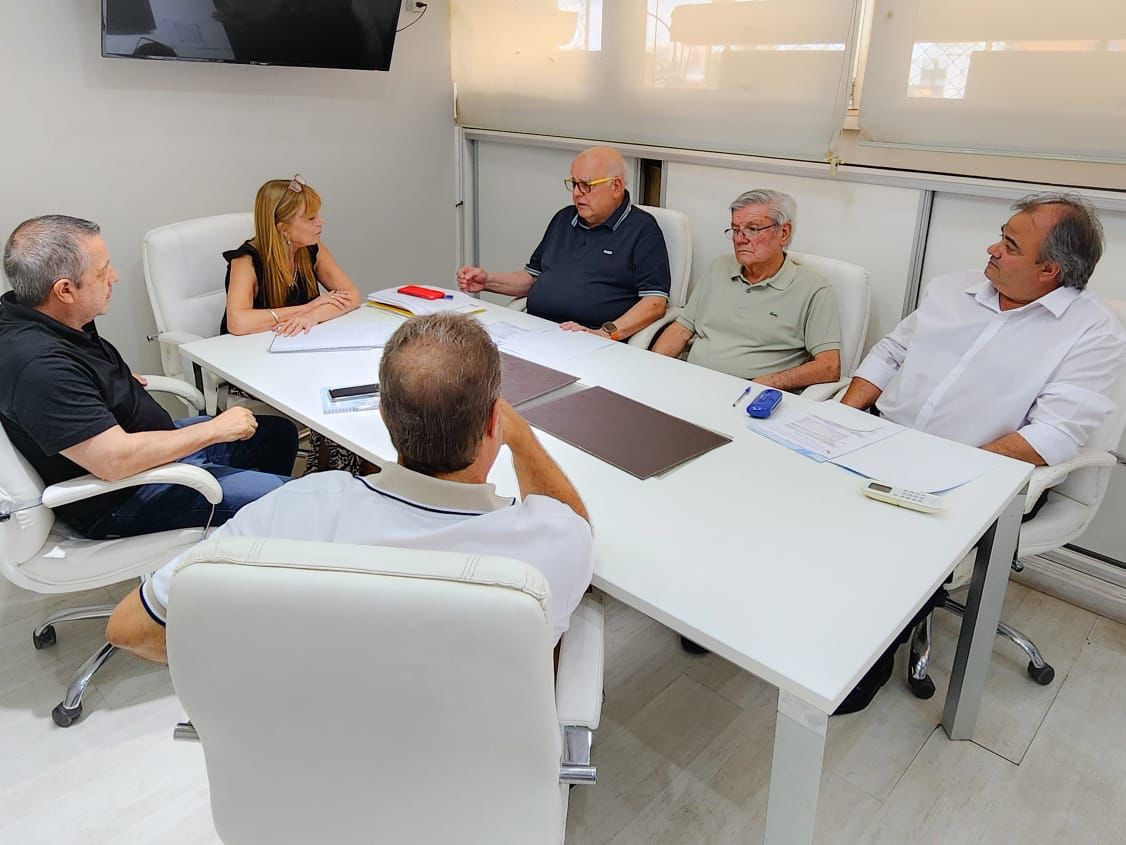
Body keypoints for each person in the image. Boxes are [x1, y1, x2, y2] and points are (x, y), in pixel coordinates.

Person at [106, 312, 595, 663]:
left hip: (311, 758)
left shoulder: (295, 509)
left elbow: (129, 626)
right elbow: (572, 520)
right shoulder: (548, 544)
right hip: (467, 769)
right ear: (493, 423)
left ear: (383, 415)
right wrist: (521, 437)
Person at [834, 192, 1126, 714]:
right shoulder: (953, 288)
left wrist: (952, 469)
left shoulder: (1093, 333)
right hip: (887, 437)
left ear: (1049, 271)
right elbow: (892, 351)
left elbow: (1053, 436)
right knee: (800, 496)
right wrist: (843, 416)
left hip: (982, 470)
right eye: (1001, 236)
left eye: (1010, 245)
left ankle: (866, 656)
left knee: (899, 545)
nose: (992, 249)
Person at [0, 215, 297, 539]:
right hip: (125, 492)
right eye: (102, 272)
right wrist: (214, 430)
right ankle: (264, 522)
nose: (114, 277)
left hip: (147, 449)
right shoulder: (39, 366)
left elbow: (75, 376)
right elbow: (113, 460)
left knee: (276, 434)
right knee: (289, 500)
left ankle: (252, 535)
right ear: (65, 290)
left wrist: (105, 383)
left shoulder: (40, 312)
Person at [222, 174, 364, 473]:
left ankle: (346, 470)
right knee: (330, 393)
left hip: (302, 352)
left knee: (352, 385)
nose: (320, 223)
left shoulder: (311, 248)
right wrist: (307, 307)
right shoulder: (246, 260)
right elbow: (238, 321)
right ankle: (327, 472)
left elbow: (350, 295)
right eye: (310, 218)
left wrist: (314, 316)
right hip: (256, 364)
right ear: (282, 227)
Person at [456, 146, 671, 342]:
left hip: (590, 339)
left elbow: (655, 303)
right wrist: (487, 280)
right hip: (537, 330)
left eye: (586, 185)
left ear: (615, 186)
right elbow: (533, 278)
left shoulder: (643, 230)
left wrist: (604, 333)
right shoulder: (564, 219)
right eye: (574, 184)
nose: (576, 193)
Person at [653, 189, 841, 392]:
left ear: (784, 233)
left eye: (752, 229)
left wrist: (767, 383)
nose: (740, 239)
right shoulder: (719, 267)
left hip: (750, 395)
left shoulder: (812, 287)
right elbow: (681, 330)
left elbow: (829, 367)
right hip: (692, 382)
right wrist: (652, 367)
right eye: (735, 230)